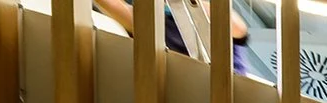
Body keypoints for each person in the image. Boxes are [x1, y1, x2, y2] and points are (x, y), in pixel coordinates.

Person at [88, 0, 255, 75]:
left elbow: (236, 26)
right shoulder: (153, 23)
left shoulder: (220, 22)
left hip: (225, 101)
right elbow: (113, 5)